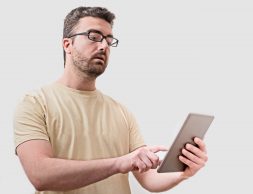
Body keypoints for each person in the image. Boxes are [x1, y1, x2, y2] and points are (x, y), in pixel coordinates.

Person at [13, 6, 208, 194]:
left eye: (109, 40)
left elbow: (149, 179)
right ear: (67, 44)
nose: (104, 45)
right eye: (94, 37)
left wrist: (183, 172)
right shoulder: (35, 103)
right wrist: (120, 163)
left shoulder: (121, 112)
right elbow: (41, 175)